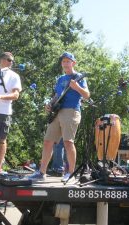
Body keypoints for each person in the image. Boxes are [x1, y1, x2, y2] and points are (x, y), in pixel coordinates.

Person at [30, 52, 90, 182]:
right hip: (57, 112)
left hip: (71, 111)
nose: (65, 64)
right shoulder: (61, 79)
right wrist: (50, 104)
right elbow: (57, 96)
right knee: (47, 141)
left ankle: (70, 174)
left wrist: (77, 87)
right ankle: (42, 173)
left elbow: (86, 95)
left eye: (68, 61)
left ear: (73, 63)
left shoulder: (79, 77)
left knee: (68, 142)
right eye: (63, 61)